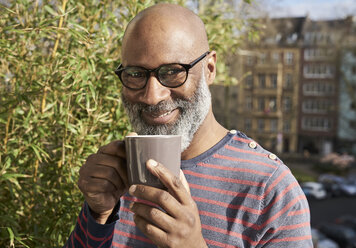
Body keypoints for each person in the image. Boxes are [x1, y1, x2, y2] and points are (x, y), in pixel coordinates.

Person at [65, 3, 313, 248]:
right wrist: (97, 218)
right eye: (136, 74)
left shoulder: (270, 190)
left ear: (209, 69)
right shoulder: (119, 173)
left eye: (173, 72)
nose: (153, 96)